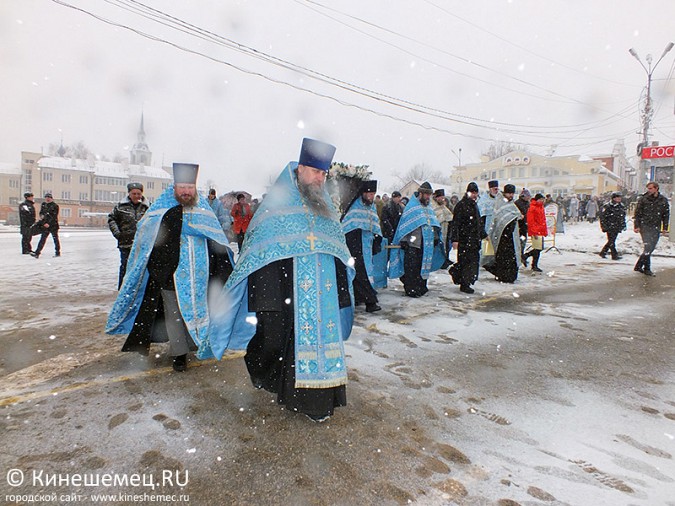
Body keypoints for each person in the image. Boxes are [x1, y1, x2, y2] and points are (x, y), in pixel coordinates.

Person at [201, 138, 355, 423]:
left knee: (314, 345)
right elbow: (260, 247)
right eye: (314, 171)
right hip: (283, 285)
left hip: (323, 293)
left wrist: (342, 289)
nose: (319, 178)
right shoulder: (276, 204)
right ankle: (265, 372)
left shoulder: (326, 208)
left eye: (323, 173)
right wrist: (267, 294)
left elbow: (337, 247)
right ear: (298, 170)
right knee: (276, 339)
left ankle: (317, 400)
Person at [106, 163, 234, 372]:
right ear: (174, 187)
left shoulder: (204, 210)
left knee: (197, 311)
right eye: (182, 186)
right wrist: (160, 269)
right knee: (174, 314)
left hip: (199, 275)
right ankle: (179, 354)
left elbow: (216, 240)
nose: (186, 191)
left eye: (190, 187)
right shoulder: (160, 210)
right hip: (169, 274)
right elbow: (148, 240)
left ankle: (196, 343)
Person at [389, 182, 445, 298]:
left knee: (423, 266)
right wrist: (404, 240)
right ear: (420, 193)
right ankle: (411, 288)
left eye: (429, 195)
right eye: (426, 195)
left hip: (426, 243)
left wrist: (435, 238)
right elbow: (405, 225)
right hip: (413, 243)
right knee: (412, 267)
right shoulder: (412, 206)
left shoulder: (429, 207)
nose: (428, 197)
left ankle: (421, 286)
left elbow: (433, 224)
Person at [342, 180, 382, 313]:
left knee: (365, 271)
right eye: (369, 194)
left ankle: (359, 297)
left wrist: (377, 239)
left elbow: (375, 224)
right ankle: (370, 301)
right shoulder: (355, 206)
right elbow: (349, 224)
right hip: (355, 244)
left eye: (373, 194)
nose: (371, 197)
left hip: (367, 245)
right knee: (360, 272)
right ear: (363, 193)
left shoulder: (372, 207)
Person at [108, 182, 149, 289]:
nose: (136, 196)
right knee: (125, 266)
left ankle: (137, 289)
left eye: (138, 193)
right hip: (126, 243)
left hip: (142, 243)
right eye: (134, 193)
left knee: (141, 268)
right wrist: (118, 234)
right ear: (129, 194)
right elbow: (112, 220)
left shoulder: (147, 207)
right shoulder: (120, 207)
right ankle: (123, 288)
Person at [449, 182, 486, 294]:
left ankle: (467, 281)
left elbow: (478, 222)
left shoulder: (474, 205)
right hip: (465, 240)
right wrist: (455, 239)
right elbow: (455, 224)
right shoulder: (461, 205)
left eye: (476, 193)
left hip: (474, 240)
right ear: (467, 192)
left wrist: (483, 234)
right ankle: (464, 283)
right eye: (472, 192)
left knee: (473, 262)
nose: (474, 195)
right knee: (465, 262)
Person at [483, 184, 523, 283]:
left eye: (512, 193)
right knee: (502, 257)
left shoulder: (512, 204)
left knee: (511, 258)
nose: (511, 195)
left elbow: (515, 215)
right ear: (504, 193)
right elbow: (496, 219)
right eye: (509, 193)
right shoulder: (499, 203)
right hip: (501, 237)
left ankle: (510, 276)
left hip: (511, 237)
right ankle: (502, 275)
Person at [633, 181, 670, 276]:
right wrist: (636, 226)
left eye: (650, 188)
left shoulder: (663, 200)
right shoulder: (643, 199)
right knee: (648, 247)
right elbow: (637, 214)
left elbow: (665, 215)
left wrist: (665, 227)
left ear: (656, 188)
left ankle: (638, 265)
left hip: (656, 226)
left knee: (651, 247)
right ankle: (647, 269)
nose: (649, 190)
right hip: (644, 226)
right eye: (648, 188)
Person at [522, 193, 548, 272]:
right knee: (537, 248)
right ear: (537, 199)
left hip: (540, 230)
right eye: (541, 199)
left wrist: (544, 230)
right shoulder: (532, 208)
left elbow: (542, 220)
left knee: (539, 248)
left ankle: (527, 257)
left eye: (543, 199)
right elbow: (531, 221)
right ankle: (532, 263)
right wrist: (534, 232)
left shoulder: (541, 207)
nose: (542, 201)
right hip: (536, 231)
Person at [477, 180, 501, 266]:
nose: (496, 191)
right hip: (487, 226)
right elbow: (480, 216)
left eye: (497, 189)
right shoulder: (484, 200)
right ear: (490, 189)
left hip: (498, 226)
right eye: (495, 189)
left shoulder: (500, 199)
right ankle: (484, 262)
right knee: (486, 245)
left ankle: (493, 261)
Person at [31, 193, 60, 258]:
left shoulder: (55, 206)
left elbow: (54, 216)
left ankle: (57, 252)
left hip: (53, 225)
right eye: (46, 197)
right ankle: (37, 253)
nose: (47, 199)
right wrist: (43, 222)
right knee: (42, 239)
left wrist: (49, 223)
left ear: (51, 198)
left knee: (55, 239)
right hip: (45, 225)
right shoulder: (44, 204)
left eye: (49, 197)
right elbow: (41, 213)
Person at [598, 191, 626, 260]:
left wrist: (623, 225)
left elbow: (622, 217)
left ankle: (603, 252)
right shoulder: (607, 206)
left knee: (611, 240)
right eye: (617, 197)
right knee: (611, 241)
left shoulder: (621, 206)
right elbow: (603, 217)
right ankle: (614, 255)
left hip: (617, 226)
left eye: (620, 197)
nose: (619, 199)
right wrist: (604, 226)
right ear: (613, 198)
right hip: (609, 226)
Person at [432, 188, 454, 269]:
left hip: (446, 230)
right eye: (440, 197)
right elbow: (434, 219)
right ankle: (438, 262)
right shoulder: (432, 206)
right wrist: (443, 218)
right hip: (437, 231)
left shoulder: (444, 207)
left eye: (443, 197)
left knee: (445, 246)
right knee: (438, 247)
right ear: (436, 198)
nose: (442, 199)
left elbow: (450, 216)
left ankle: (444, 260)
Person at [514, 188, 531, 262]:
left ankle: (521, 255)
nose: (529, 198)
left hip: (525, 226)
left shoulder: (527, 203)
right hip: (519, 226)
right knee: (518, 242)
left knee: (523, 242)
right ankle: (518, 256)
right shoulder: (517, 203)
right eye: (528, 196)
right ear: (523, 196)